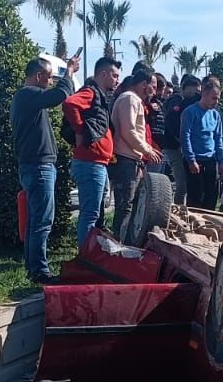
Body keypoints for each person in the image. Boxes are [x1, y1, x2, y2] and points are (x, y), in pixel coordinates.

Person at [11, 52, 81, 283]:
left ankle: (34, 268)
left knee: (36, 220)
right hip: (39, 166)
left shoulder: (27, 98)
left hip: (35, 165)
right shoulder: (28, 94)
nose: (51, 81)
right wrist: (69, 71)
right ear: (39, 76)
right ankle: (40, 270)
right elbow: (60, 95)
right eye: (50, 77)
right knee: (42, 221)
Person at [63, 56, 121, 248]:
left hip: (97, 163)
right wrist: (80, 130)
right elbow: (70, 104)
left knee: (94, 213)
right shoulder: (90, 92)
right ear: (103, 74)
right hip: (90, 163)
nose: (117, 80)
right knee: (90, 213)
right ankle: (85, 255)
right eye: (114, 75)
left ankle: (90, 252)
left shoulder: (99, 95)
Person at [110, 66, 159, 236]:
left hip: (130, 159)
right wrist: (147, 150)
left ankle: (123, 240)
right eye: (153, 86)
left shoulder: (133, 99)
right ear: (144, 84)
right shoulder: (130, 99)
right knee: (125, 205)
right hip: (125, 159)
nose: (154, 91)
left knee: (130, 205)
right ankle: (118, 241)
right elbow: (128, 131)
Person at [180, 76, 223, 210]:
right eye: (213, 98)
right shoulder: (190, 112)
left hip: (211, 160)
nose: (216, 102)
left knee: (211, 197)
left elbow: (218, 138)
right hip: (195, 160)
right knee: (196, 198)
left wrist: (221, 161)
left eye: (218, 99)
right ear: (204, 94)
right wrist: (191, 160)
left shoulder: (215, 115)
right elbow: (185, 136)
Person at [162, 74, 200, 205]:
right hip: (174, 147)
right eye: (194, 91)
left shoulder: (193, 104)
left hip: (186, 147)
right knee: (182, 183)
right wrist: (181, 140)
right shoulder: (176, 101)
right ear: (184, 89)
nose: (196, 95)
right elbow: (171, 123)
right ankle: (179, 210)